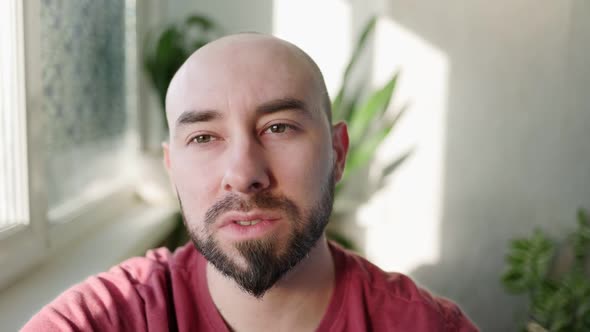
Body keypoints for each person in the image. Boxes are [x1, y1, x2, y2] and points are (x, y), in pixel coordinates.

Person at [23, 33, 478, 331]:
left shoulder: (427, 325)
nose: (243, 176)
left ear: (338, 153)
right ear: (171, 168)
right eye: (203, 137)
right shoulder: (105, 319)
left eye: (278, 128)